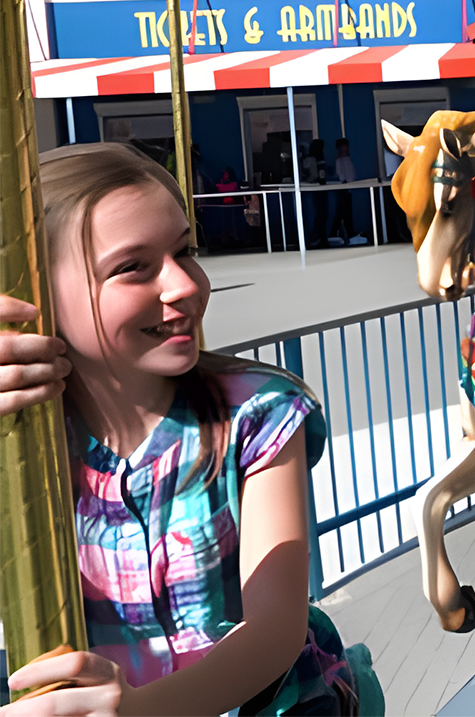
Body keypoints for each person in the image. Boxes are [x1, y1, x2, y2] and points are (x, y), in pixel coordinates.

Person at [0, 143, 375, 715]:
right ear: (38, 298)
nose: (185, 286)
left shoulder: (256, 414)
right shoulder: (25, 444)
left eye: (185, 250)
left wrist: (139, 711)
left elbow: (273, 632)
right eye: (133, 268)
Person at [327, 137, 361, 245]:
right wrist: (345, 182)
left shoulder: (347, 159)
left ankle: (344, 233)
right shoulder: (339, 160)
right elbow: (339, 173)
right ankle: (342, 234)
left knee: (344, 212)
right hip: (344, 188)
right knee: (343, 211)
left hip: (348, 188)